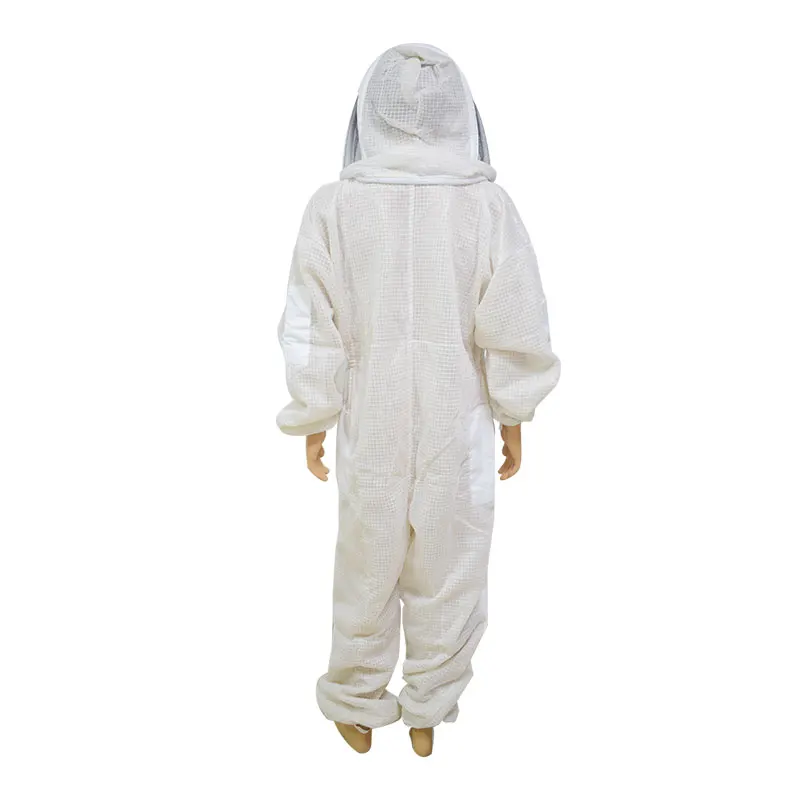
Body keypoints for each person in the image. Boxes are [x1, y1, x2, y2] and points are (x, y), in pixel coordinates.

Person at [277, 43, 560, 756]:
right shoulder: (485, 206)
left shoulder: (336, 206)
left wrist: (314, 411)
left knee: (366, 558)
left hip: (369, 416)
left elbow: (312, 318)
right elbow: (515, 314)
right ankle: (430, 699)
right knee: (453, 560)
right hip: (459, 417)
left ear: (368, 113)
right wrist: (513, 410)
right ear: (460, 113)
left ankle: (359, 698)